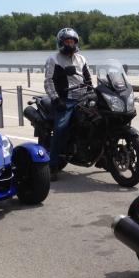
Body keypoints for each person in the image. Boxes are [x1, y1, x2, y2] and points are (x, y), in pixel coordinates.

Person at [43, 28, 92, 180]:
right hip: (66, 99)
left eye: (72, 41)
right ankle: (52, 166)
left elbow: (88, 78)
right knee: (61, 128)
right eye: (67, 41)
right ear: (61, 42)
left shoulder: (81, 59)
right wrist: (56, 99)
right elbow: (48, 81)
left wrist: (93, 91)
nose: (70, 44)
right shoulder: (54, 59)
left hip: (83, 97)